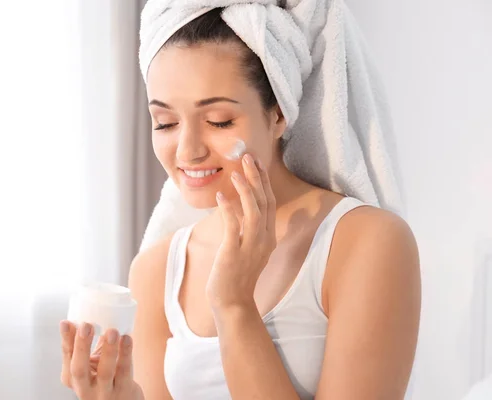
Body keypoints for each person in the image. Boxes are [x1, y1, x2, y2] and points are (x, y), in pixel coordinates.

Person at [58, 4, 421, 400]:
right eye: (165, 123)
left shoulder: (365, 243)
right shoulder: (156, 270)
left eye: (218, 120)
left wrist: (234, 306)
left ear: (278, 114)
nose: (188, 151)